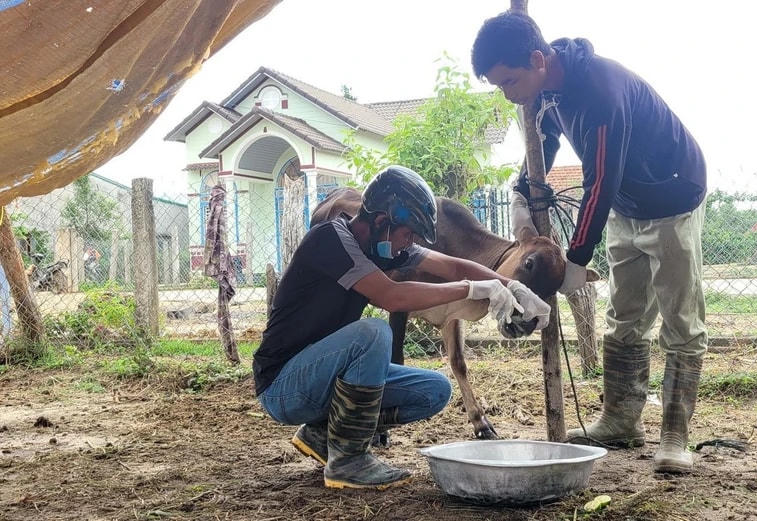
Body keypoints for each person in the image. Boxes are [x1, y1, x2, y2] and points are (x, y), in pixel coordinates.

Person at [472, 11, 708, 474]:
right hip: (627, 204)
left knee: (680, 318)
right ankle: (621, 420)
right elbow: (543, 144)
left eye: (509, 81)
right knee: (625, 314)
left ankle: (675, 436)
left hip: (672, 196)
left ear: (537, 59)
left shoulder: (600, 91)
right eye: (499, 86)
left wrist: (576, 261)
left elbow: (599, 180)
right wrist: (522, 192)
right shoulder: (547, 91)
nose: (508, 94)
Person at [253, 165, 551, 489]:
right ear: (382, 221)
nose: (409, 243)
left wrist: (512, 287)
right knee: (373, 333)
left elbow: (452, 266)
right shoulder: (330, 240)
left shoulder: (382, 245)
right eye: (408, 234)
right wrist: (472, 289)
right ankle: (348, 461)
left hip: (323, 378)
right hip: (283, 386)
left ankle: (323, 433)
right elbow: (392, 297)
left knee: (433, 391)